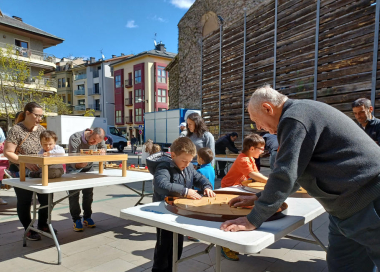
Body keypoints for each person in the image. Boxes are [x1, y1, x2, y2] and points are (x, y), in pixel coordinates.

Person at [220, 85, 380, 272]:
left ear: (267, 108)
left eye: (257, 121)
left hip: (369, 203)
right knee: (343, 265)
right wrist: (259, 198)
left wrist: (252, 219)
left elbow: (285, 173)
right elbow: (297, 172)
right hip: (346, 210)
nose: (259, 128)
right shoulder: (301, 112)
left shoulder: (293, 118)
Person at [147, 137, 215, 272]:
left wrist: (206, 186)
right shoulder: (164, 166)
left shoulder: (188, 167)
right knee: (164, 247)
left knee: (177, 246)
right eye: (184, 160)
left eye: (190, 161)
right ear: (173, 155)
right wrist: (185, 191)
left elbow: (199, 178)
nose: (187, 163)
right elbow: (161, 185)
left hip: (179, 212)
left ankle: (173, 267)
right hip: (164, 213)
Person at [4, 102, 50, 241]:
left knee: (47, 198)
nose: (39, 118)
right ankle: (28, 228)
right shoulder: (16, 130)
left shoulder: (42, 129)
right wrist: (26, 163)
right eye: (37, 115)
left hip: (40, 170)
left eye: (41, 116)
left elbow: (48, 147)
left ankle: (42, 225)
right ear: (27, 113)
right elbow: (8, 152)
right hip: (21, 170)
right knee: (25, 201)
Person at [219, 134, 268, 260]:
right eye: (261, 149)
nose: (262, 151)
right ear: (252, 148)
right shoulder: (243, 159)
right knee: (232, 215)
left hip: (238, 188)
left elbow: (256, 174)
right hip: (229, 189)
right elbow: (253, 174)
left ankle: (235, 243)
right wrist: (270, 182)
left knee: (241, 213)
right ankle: (225, 246)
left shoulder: (250, 158)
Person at [67, 127, 106, 232]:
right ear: (90, 132)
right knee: (74, 194)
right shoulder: (75, 138)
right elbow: (72, 158)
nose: (93, 143)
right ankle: (76, 219)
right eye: (93, 140)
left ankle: (87, 217)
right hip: (74, 168)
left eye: (96, 142)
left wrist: (103, 151)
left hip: (88, 168)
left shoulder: (97, 139)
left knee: (88, 193)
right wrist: (79, 164)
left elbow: (103, 147)